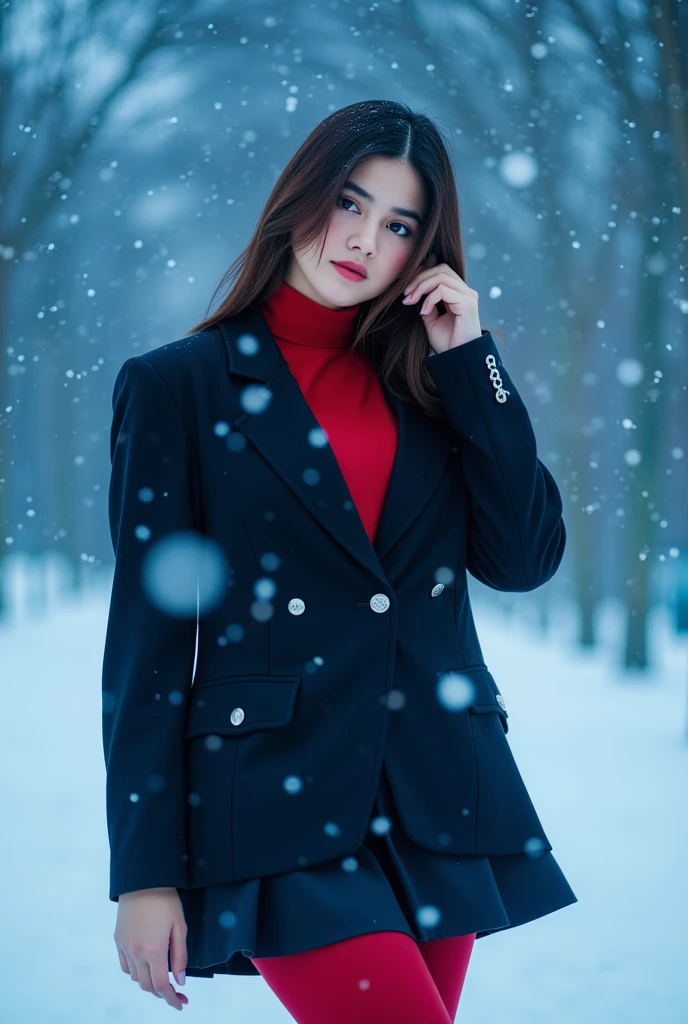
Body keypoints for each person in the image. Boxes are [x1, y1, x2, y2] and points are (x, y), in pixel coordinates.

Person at [103, 98, 577, 1021]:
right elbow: (147, 650)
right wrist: (143, 874)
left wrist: (473, 365)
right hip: (279, 802)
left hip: (441, 786)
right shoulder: (178, 387)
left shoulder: (434, 383)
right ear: (300, 196)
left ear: (423, 250)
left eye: (399, 224)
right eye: (350, 202)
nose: (362, 239)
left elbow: (522, 559)